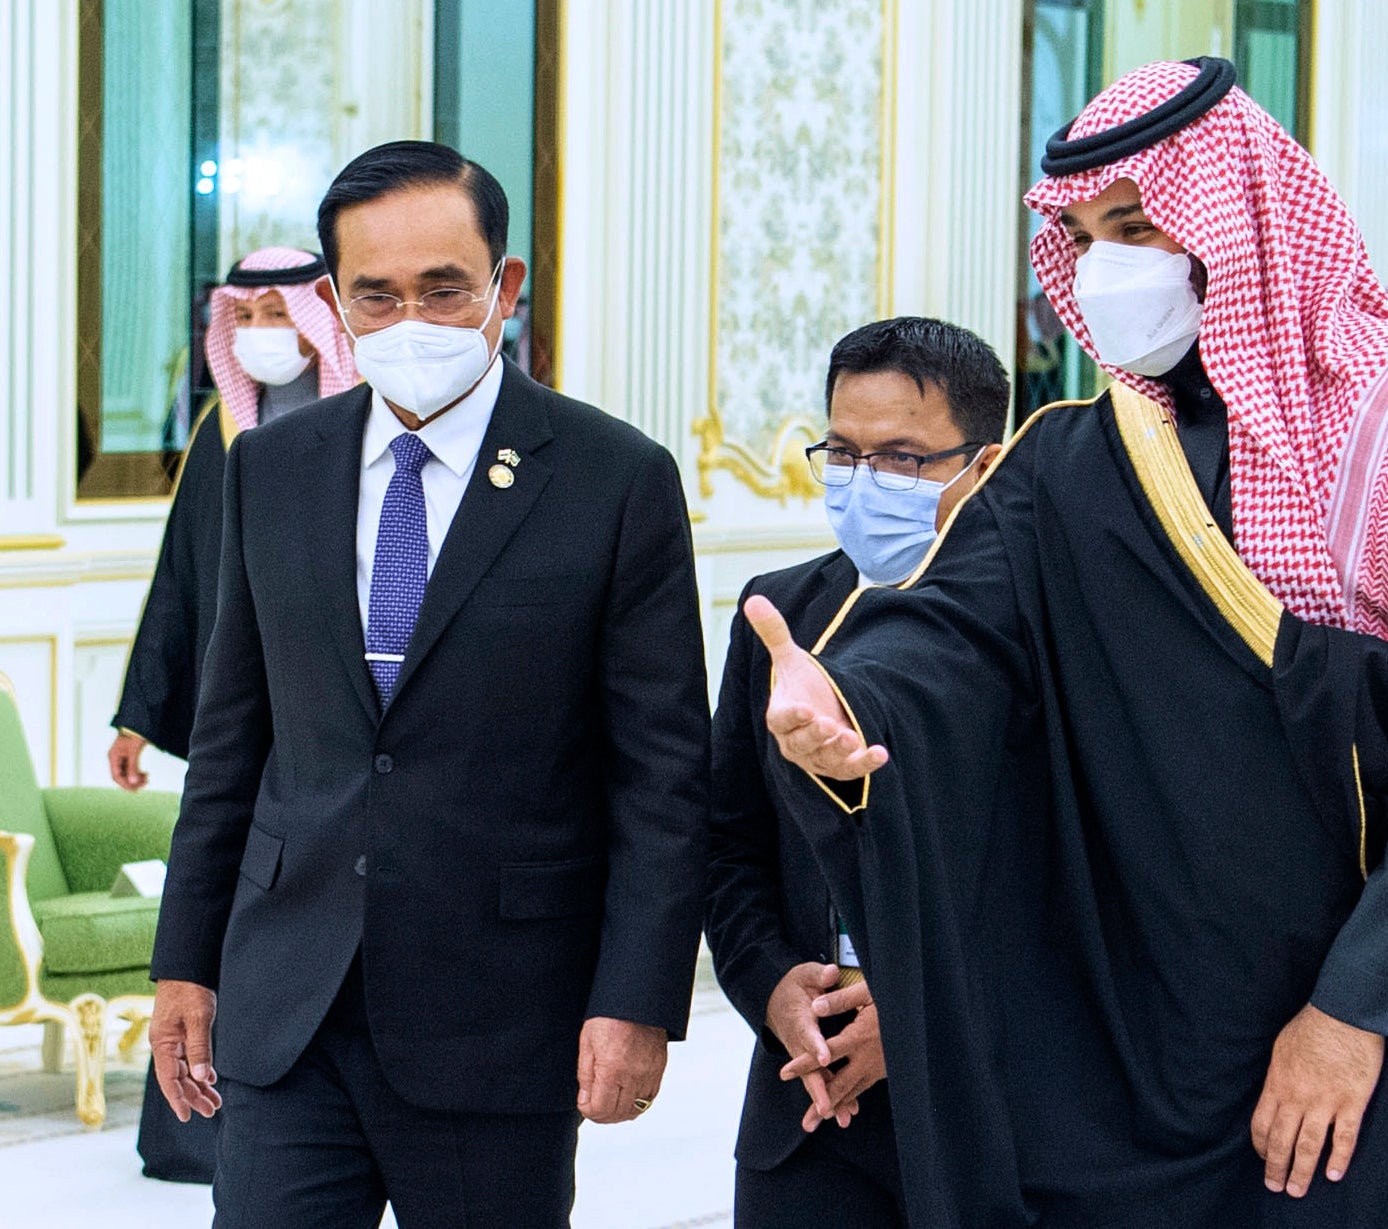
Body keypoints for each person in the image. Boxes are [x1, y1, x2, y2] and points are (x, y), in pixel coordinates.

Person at [746, 59, 1388, 1228]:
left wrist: (1351, 1008)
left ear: (1243, 213)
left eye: (1133, 223)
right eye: (1079, 233)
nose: (1105, 263)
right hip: (1147, 1030)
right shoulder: (1077, 456)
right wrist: (857, 706)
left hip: (1387, 1012)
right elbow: (956, 629)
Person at [146, 141, 710, 1228]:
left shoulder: (613, 479)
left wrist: (637, 997)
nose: (412, 318)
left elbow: (661, 774)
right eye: (378, 293)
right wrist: (184, 963)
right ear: (334, 301)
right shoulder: (273, 467)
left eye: (444, 288)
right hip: (289, 999)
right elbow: (232, 740)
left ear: (504, 286)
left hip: (498, 1013)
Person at [707, 317, 1008, 1229]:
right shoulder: (783, 612)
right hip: (807, 1114)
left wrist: (917, 1008)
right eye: (842, 450)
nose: (862, 481)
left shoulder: (1038, 626)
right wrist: (772, 987)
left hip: (985, 1111)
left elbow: (1065, 878)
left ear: (982, 465)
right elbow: (727, 844)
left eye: (903, 458)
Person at [109, 248, 357, 792]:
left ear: (319, 317)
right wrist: (137, 719)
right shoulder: (218, 430)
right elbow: (179, 574)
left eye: (276, 313)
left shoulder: (369, 423)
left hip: (342, 688)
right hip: (240, 683)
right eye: (243, 318)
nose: (257, 331)